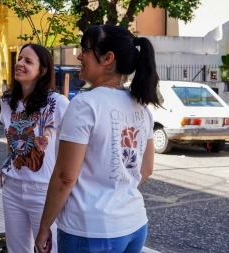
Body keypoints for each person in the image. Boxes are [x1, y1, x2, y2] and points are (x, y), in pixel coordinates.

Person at [35, 24, 161, 253]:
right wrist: (114, 193)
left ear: (107, 58)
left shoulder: (85, 105)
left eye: (85, 49)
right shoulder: (141, 108)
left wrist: (44, 227)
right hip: (133, 224)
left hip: (89, 230)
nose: (79, 55)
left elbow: (65, 178)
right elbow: (147, 169)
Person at [0, 43, 69, 252]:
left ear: (43, 71)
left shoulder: (57, 103)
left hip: (44, 191)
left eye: (28, 61)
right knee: (16, 249)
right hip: (12, 187)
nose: (19, 64)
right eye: (19, 58)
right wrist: (8, 166)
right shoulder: (6, 101)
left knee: (49, 249)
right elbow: (10, 142)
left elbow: (74, 148)